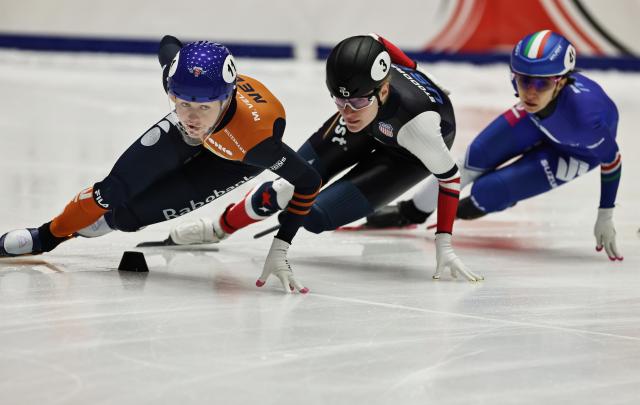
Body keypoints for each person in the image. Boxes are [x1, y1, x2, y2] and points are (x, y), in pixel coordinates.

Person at [0, 35, 323, 292]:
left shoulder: (258, 143)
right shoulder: (183, 84)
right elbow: (169, 44)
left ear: (227, 98)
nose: (191, 117)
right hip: (198, 134)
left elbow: (308, 180)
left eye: (203, 107)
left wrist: (280, 247)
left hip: (233, 159)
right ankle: (46, 237)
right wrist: (192, 105)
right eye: (181, 104)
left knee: (125, 218)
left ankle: (89, 226)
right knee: (112, 191)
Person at [163, 34, 484, 282]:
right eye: (339, 102)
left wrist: (445, 245)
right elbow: (376, 39)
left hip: (407, 154)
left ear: (382, 92)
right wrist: (412, 69)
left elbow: (450, 178)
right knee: (287, 186)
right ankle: (219, 227)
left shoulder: (420, 128)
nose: (346, 112)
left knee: (315, 217)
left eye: (356, 103)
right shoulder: (356, 104)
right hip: (374, 125)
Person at [364, 30, 624, 261]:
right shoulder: (535, 99)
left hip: (576, 151)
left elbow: (612, 160)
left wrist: (606, 214)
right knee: (473, 158)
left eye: (542, 84)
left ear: (562, 82)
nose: (531, 92)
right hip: (536, 120)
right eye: (524, 81)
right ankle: (412, 212)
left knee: (490, 191)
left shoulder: (586, 120)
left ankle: (476, 206)